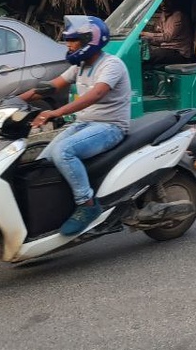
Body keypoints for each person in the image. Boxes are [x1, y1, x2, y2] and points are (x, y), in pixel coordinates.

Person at [20, 15, 132, 237]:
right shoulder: (80, 66)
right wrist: (14, 100)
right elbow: (51, 87)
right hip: (85, 124)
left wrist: (56, 112)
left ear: (89, 41)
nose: (68, 45)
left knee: (65, 151)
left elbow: (96, 94)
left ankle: (88, 205)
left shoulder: (111, 65)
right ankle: (62, 204)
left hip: (111, 127)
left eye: (73, 40)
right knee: (46, 158)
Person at [142, 0, 194, 64]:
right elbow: (158, 34)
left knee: (149, 57)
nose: (164, 4)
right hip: (165, 49)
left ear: (173, 1)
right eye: (162, 1)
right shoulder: (163, 15)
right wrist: (145, 39)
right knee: (141, 53)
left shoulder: (178, 15)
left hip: (179, 52)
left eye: (167, 1)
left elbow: (167, 37)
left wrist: (146, 34)